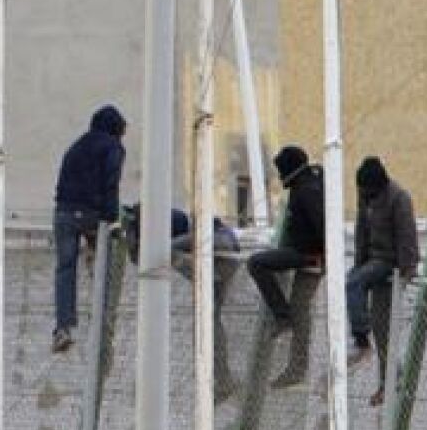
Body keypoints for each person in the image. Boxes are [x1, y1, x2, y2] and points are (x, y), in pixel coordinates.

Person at [128, 204, 242, 399]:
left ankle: (205, 279)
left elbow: (145, 254)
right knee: (209, 322)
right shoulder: (163, 217)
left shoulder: (165, 219)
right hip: (221, 249)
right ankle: (222, 379)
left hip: (216, 240)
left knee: (166, 250)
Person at [246, 145, 329, 386]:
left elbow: (322, 225)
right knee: (301, 310)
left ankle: (282, 318)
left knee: (256, 264)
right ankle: (296, 368)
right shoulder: (307, 184)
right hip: (306, 252)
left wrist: (322, 257)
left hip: (308, 254)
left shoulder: (307, 190)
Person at [52, 105, 127, 353]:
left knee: (65, 268)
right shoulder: (113, 147)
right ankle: (103, 319)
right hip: (90, 214)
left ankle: (63, 326)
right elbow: (111, 184)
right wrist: (113, 221)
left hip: (63, 211)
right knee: (107, 263)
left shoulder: (76, 146)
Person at [346, 156, 419, 406]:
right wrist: (358, 263)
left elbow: (407, 234)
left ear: (378, 184)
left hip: (389, 264)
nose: (364, 195)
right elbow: (361, 231)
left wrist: (408, 270)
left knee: (352, 284)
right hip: (371, 262)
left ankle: (360, 339)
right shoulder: (366, 196)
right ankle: (390, 380)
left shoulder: (399, 198)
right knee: (382, 328)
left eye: (367, 191)